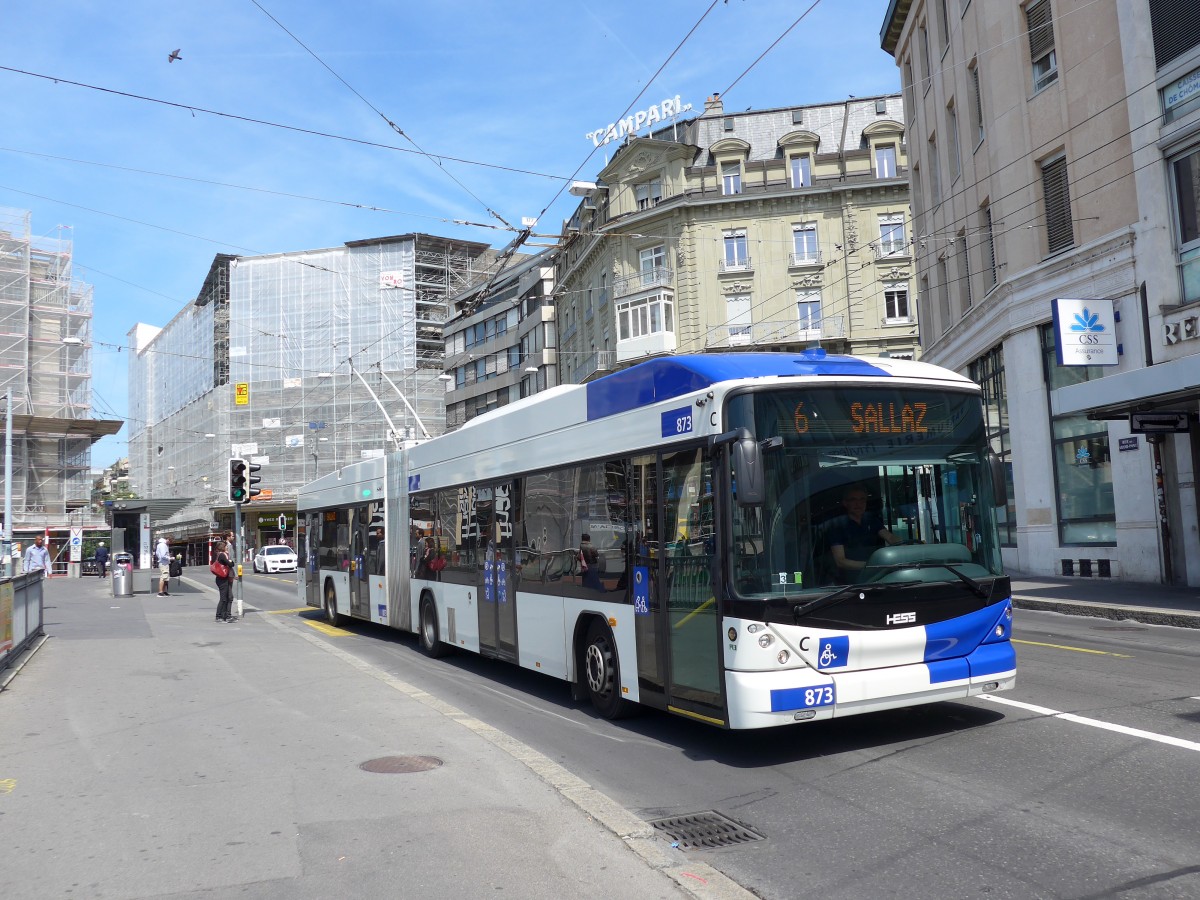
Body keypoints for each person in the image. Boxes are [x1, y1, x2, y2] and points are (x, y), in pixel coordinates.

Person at [827, 486, 902, 582]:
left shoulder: (870, 519)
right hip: (849, 582)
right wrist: (871, 565)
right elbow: (840, 561)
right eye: (853, 500)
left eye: (862, 499)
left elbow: (890, 538)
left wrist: (907, 546)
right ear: (845, 503)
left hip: (875, 576)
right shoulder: (837, 525)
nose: (859, 503)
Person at [212, 540, 236, 622]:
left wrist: (230, 562)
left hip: (223, 578)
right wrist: (231, 562)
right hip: (222, 579)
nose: (227, 548)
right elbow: (231, 564)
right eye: (225, 546)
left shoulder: (222, 555)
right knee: (223, 598)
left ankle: (224, 615)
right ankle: (218, 616)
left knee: (225, 598)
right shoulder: (222, 555)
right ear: (222, 547)